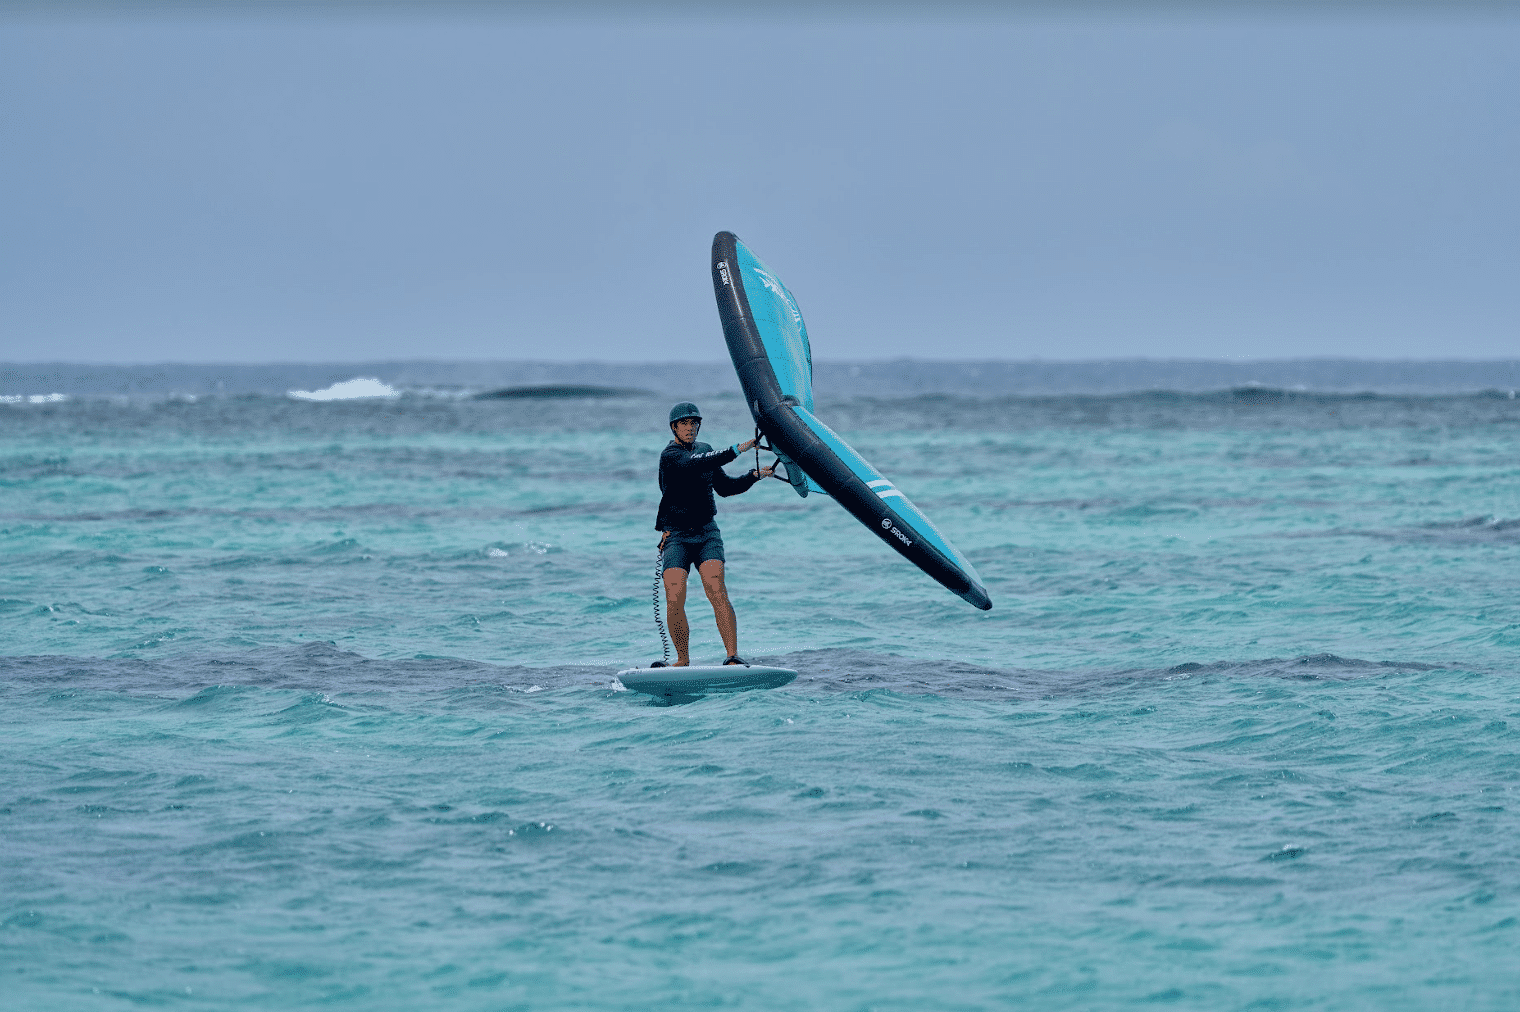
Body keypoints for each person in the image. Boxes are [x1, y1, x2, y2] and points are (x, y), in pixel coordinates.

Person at [654, 402, 772, 667]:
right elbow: (696, 463)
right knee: (674, 596)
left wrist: (754, 476)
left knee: (716, 589)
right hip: (677, 535)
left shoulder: (705, 450)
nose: (689, 428)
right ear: (674, 427)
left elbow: (725, 487)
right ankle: (682, 661)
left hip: (707, 533)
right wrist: (739, 448)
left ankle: (732, 656)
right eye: (683, 424)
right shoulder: (671, 456)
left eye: (693, 423)